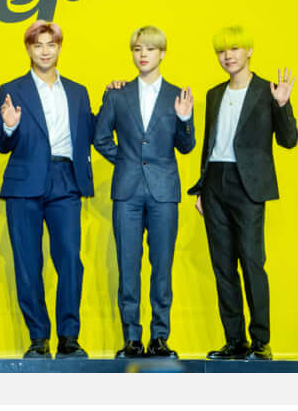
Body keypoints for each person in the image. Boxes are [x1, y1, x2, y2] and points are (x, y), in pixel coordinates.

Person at [188, 26, 296, 361]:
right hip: (215, 182)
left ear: (249, 50)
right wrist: (202, 187)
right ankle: (234, 341)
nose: (228, 56)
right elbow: (209, 144)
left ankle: (260, 341)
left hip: (249, 185)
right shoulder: (214, 94)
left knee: (251, 262)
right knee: (223, 266)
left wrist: (283, 105)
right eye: (222, 51)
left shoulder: (268, 90)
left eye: (235, 48)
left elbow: (289, 140)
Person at [0, 20, 95, 359]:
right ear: (28, 49)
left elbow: (92, 131)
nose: (45, 51)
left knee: (70, 260)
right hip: (24, 183)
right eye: (38, 45)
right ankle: (38, 337)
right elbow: (1, 143)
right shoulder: (11, 89)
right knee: (27, 262)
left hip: (66, 178)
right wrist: (10, 126)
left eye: (51, 44)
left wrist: (117, 92)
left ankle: (69, 337)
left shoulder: (79, 91)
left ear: (60, 47)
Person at [93, 26, 195, 359]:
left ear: (162, 53)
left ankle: (160, 337)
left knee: (162, 267)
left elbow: (187, 145)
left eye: (150, 49)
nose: (143, 55)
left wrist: (185, 119)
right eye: (137, 49)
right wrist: (126, 160)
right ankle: (132, 339)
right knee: (128, 266)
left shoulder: (178, 95)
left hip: (165, 192)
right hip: (127, 192)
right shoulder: (117, 94)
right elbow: (100, 138)